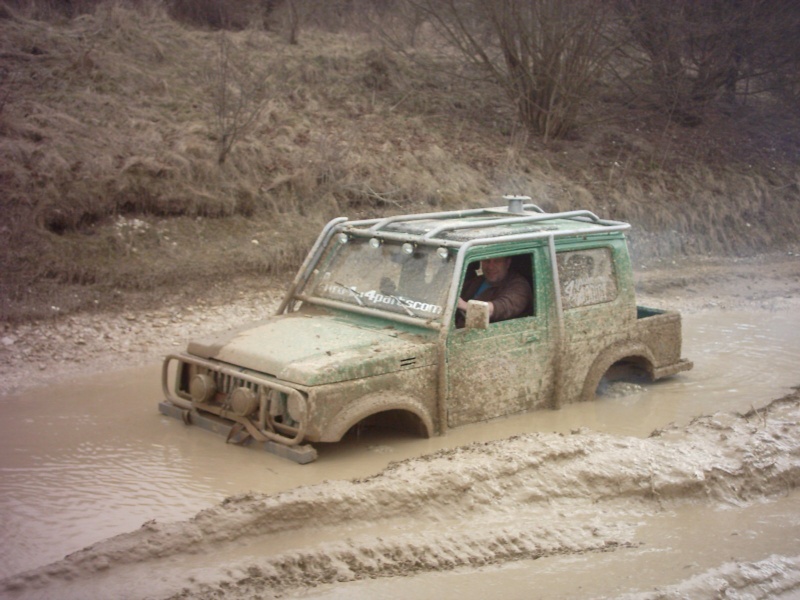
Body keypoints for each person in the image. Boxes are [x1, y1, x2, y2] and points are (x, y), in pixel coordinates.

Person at [457, 256, 532, 326]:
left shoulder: (519, 286)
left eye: (497, 261)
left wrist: (463, 305)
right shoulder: (477, 281)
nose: (490, 267)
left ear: (507, 263)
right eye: (487, 261)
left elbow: (496, 309)